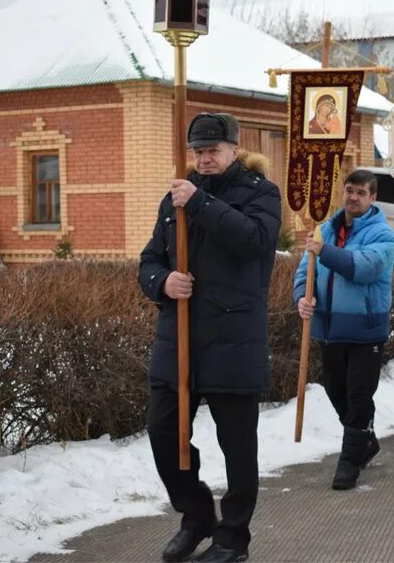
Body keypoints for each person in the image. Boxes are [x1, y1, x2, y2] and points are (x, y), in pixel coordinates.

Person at [139, 112, 281, 563]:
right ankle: (196, 515)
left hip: (232, 340)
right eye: (198, 152)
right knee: (163, 432)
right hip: (177, 338)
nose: (203, 159)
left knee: (238, 447)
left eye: (212, 151)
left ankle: (232, 538)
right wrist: (163, 282)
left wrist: (199, 202)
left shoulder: (261, 193)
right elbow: (148, 260)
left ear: (233, 150)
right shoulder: (175, 198)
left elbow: (255, 242)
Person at [294, 169, 394, 491]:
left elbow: (363, 268)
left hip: (365, 330)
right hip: (328, 328)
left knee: (359, 395)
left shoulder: (382, 234)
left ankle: (349, 461)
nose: (353, 197)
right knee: (338, 393)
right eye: (349, 190)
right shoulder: (324, 229)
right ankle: (366, 439)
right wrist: (302, 297)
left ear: (372, 197)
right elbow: (302, 272)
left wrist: (323, 250)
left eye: (361, 192)